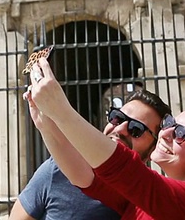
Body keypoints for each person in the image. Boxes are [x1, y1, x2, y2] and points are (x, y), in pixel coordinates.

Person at [25, 57, 185, 219]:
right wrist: (46, 124)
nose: (167, 133)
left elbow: (125, 170)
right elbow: (86, 179)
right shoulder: (140, 199)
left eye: (181, 133)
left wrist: (61, 109)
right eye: (170, 124)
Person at [9, 87, 171, 220]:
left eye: (136, 129)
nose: (120, 129)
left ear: (152, 149)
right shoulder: (58, 169)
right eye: (117, 118)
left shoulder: (149, 198)